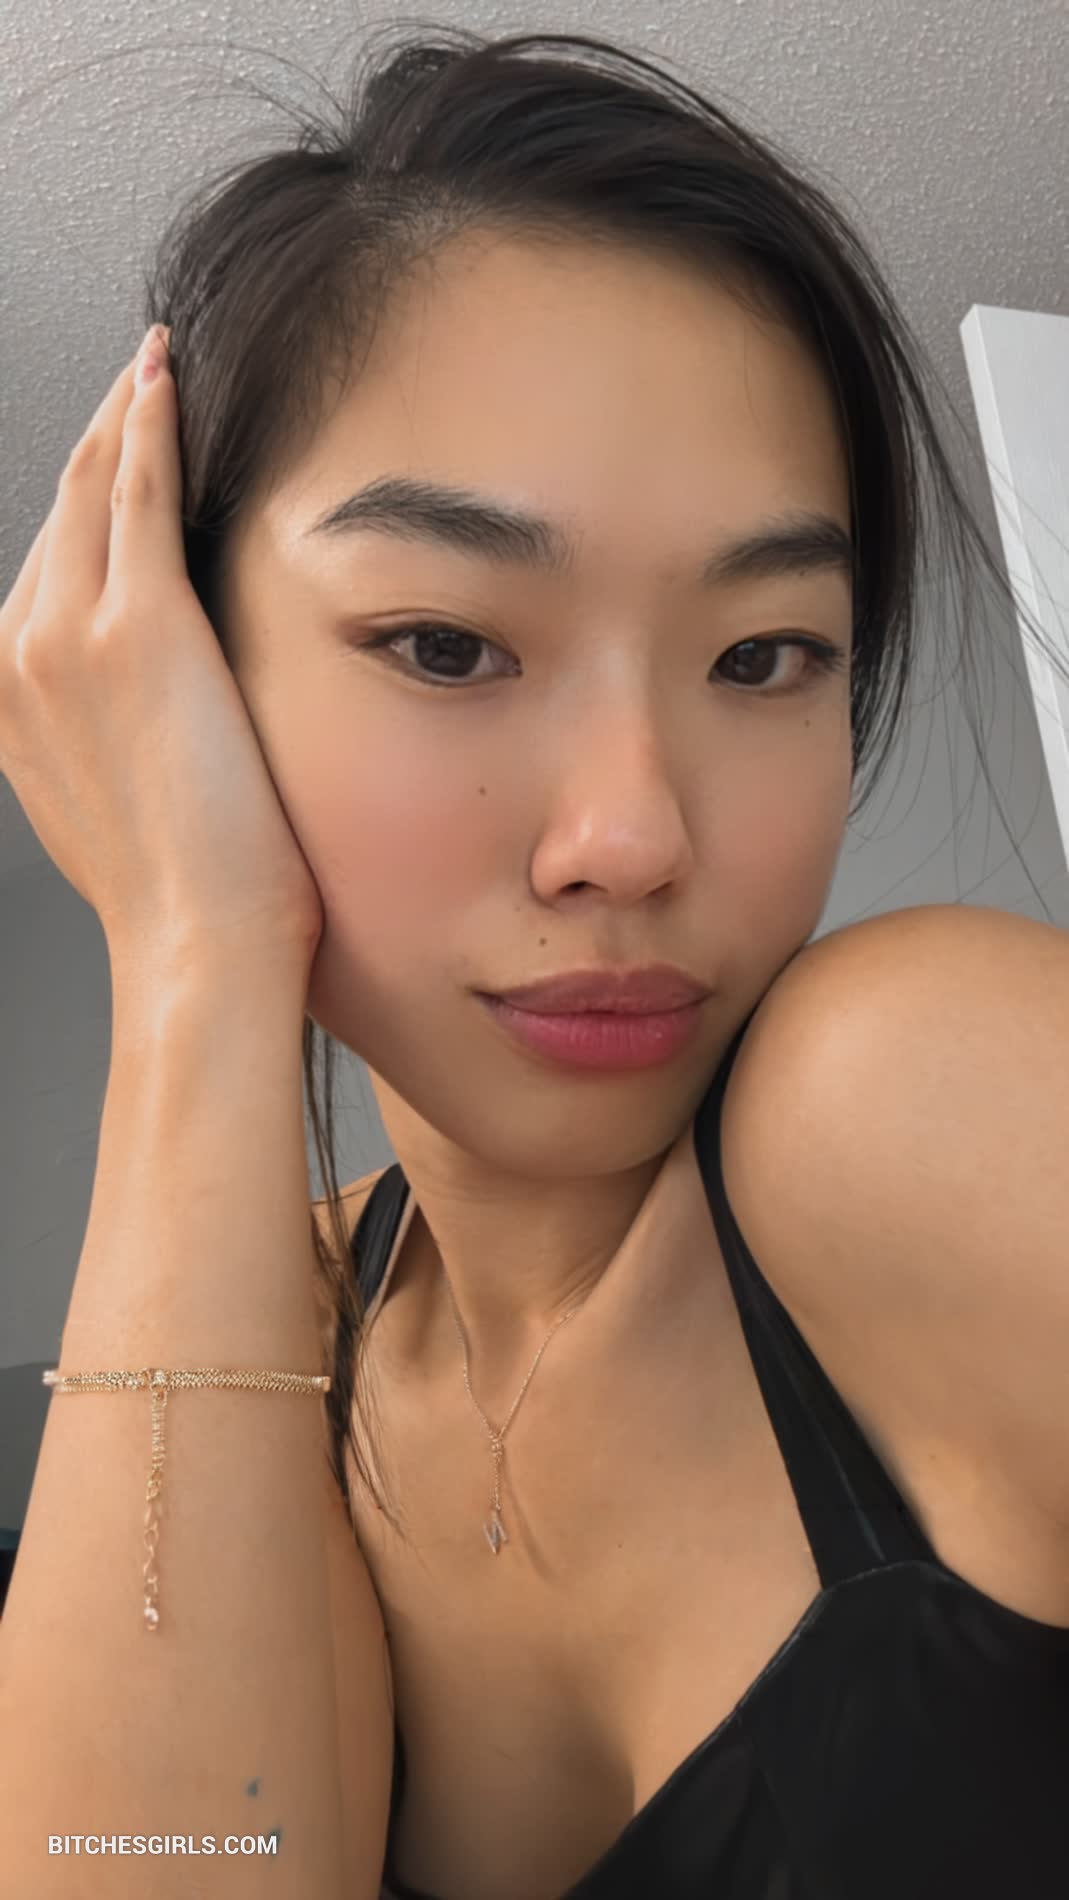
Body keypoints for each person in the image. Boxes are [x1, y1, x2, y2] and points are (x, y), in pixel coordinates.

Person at [1, 24, 1066, 1900]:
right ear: (189, 681)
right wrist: (187, 958)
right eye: (444, 644)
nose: (630, 838)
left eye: (762, 656)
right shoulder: (282, 1313)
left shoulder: (909, 1097)